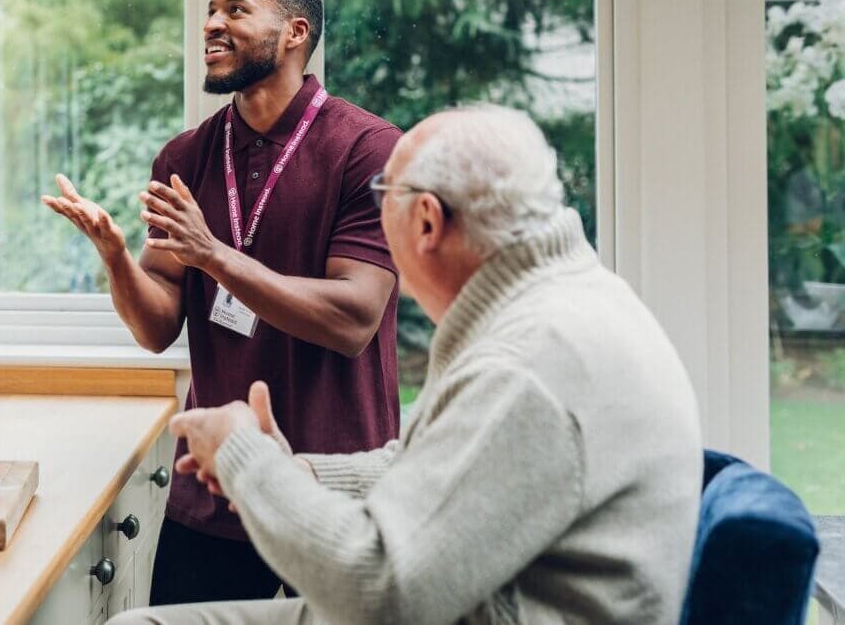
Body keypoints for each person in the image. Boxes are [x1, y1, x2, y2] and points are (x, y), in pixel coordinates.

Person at [110, 105, 703, 625]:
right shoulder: (567, 301)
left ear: (425, 221)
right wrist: (303, 472)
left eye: (380, 200)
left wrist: (246, 459)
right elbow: (451, 464)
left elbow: (379, 594)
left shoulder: (525, 362)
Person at [42, 0, 402, 604]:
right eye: (210, 10)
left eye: (235, 10)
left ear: (294, 32)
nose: (211, 24)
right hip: (212, 493)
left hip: (335, 491)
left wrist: (213, 254)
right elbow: (156, 329)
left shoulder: (369, 149)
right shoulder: (185, 157)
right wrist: (118, 259)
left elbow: (353, 320)